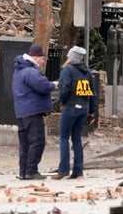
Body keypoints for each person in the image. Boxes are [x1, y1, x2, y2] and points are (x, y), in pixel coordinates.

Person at [12, 43, 57, 180]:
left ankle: (23, 171)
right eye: (43, 58)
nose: (43, 61)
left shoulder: (19, 70)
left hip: (21, 111)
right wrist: (53, 85)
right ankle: (32, 170)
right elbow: (43, 86)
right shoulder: (31, 72)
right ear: (36, 57)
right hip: (32, 111)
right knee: (37, 141)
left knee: (25, 143)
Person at [51, 46, 97, 180]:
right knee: (77, 139)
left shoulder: (68, 71)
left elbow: (64, 89)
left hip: (70, 107)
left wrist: (63, 102)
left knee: (64, 138)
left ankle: (63, 169)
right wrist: (92, 112)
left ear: (71, 57)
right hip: (84, 108)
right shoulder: (87, 72)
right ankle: (78, 171)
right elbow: (93, 93)